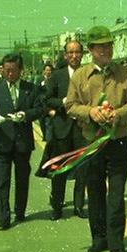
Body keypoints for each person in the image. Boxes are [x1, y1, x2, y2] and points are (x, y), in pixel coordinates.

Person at [65, 26, 127, 252]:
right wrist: (91, 112)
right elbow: (70, 106)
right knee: (95, 191)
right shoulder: (80, 76)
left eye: (109, 46)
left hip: (118, 141)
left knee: (116, 194)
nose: (106, 50)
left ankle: (117, 244)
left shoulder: (125, 74)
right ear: (91, 50)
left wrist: (118, 114)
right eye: (101, 47)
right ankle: (98, 238)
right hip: (91, 142)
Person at [0, 53, 44, 231]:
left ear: (20, 70)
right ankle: (3, 217)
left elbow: (39, 108)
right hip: (2, 139)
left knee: (22, 178)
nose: (9, 74)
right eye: (6, 70)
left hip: (22, 141)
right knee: (2, 180)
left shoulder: (30, 88)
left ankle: (20, 211)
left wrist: (25, 115)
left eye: (13, 71)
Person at [40, 40, 88, 220]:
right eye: (71, 52)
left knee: (83, 169)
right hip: (62, 129)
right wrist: (62, 102)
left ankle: (79, 206)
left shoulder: (88, 74)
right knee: (59, 170)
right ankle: (57, 207)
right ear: (65, 55)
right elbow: (46, 99)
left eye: (77, 52)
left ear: (82, 54)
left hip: (82, 128)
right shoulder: (57, 76)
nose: (74, 56)